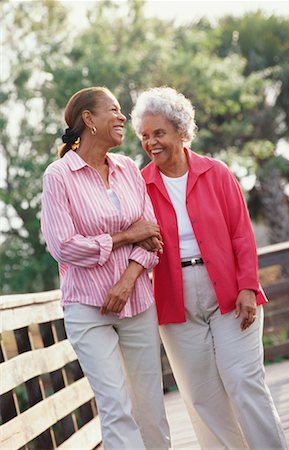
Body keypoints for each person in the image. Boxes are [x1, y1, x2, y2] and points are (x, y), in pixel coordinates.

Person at [131, 86, 288, 450]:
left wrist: (249, 286)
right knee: (202, 396)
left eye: (159, 133)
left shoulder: (215, 172)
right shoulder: (139, 185)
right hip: (175, 296)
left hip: (231, 292)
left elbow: (242, 235)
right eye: (144, 136)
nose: (151, 142)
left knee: (243, 381)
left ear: (181, 132)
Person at [41, 86, 170, 450]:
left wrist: (127, 280)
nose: (123, 117)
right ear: (88, 120)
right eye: (113, 110)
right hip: (87, 309)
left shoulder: (129, 169)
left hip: (138, 302)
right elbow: (63, 246)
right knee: (116, 407)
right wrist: (126, 236)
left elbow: (153, 238)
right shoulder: (58, 176)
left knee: (150, 408)